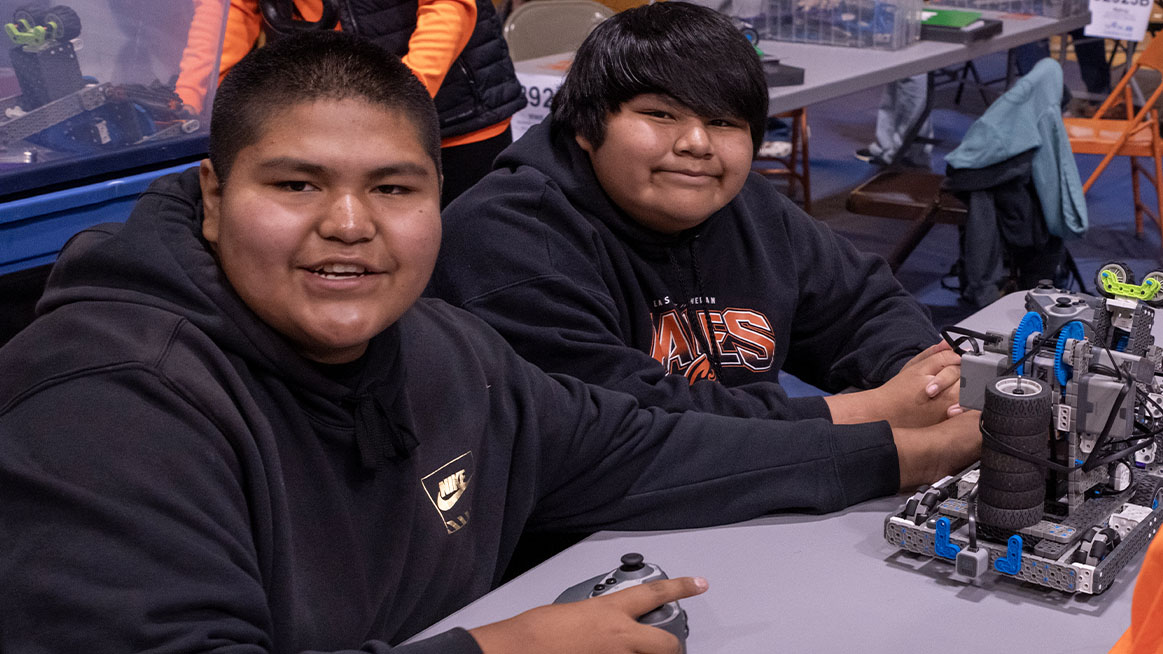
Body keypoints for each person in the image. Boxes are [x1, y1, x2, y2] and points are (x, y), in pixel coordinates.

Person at [0, 31, 980, 653]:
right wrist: (506, 649)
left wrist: (895, 448)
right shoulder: (108, 403)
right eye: (296, 185)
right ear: (214, 200)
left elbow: (648, 447)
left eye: (393, 189)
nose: (349, 224)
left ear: (436, 201)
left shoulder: (441, 351)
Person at [430, 3, 969, 434]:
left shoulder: (748, 207)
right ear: (585, 125)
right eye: (660, 114)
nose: (695, 144)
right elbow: (630, 428)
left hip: (737, 500)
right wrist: (863, 415)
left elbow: (862, 304)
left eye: (722, 121)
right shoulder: (505, 239)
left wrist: (921, 382)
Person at [175, 0, 525, 207]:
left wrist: (397, 98)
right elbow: (228, 13)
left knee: (464, 259)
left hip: (454, 117)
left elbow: (449, 8)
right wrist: (190, 102)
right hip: (327, 121)